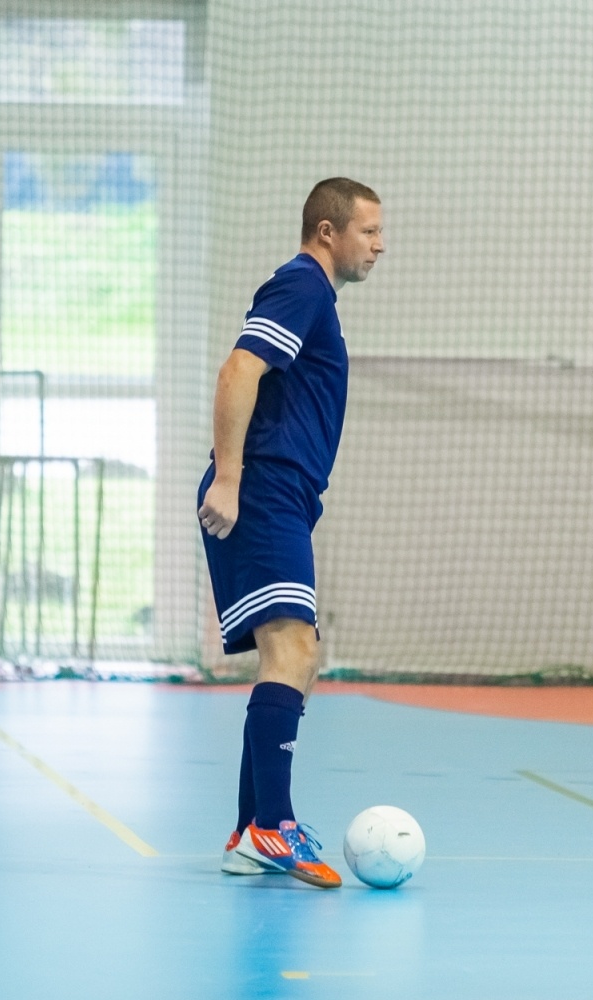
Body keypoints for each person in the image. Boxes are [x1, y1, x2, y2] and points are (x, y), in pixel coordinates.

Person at [197, 178, 384, 888]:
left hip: (285, 494)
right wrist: (230, 477)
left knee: (299, 657)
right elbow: (240, 368)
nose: (380, 244)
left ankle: (254, 831)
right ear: (328, 231)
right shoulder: (302, 285)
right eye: (368, 230)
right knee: (293, 649)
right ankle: (272, 829)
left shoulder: (315, 297)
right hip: (266, 486)